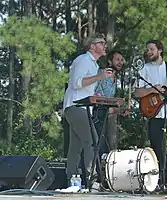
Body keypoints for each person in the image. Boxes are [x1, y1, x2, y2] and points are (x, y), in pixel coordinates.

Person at [135, 40, 167, 190]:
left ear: (160, 51)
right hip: (154, 114)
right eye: (147, 49)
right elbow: (137, 92)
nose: (148, 52)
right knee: (157, 149)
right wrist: (153, 90)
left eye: (151, 49)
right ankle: (159, 182)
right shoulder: (144, 69)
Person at [63, 33, 113, 189]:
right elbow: (77, 83)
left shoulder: (94, 65)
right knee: (91, 140)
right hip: (76, 106)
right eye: (101, 43)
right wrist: (100, 76)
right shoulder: (84, 60)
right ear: (92, 46)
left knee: (76, 147)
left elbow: (87, 87)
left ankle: (72, 181)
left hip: (79, 107)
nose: (104, 45)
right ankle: (93, 180)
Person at [93, 50, 127, 158]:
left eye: (122, 60)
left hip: (104, 114)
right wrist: (110, 107)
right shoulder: (102, 73)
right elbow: (97, 94)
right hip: (96, 112)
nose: (120, 62)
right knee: (98, 144)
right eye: (117, 60)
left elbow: (110, 104)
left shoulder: (116, 78)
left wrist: (120, 109)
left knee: (104, 146)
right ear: (109, 61)